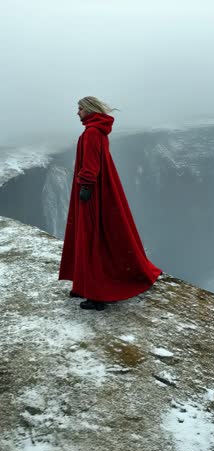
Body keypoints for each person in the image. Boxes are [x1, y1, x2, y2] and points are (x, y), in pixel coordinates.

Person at [59, 96, 162, 310]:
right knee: (92, 238)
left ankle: (97, 294)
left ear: (89, 110)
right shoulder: (99, 131)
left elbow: (90, 166)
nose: (77, 113)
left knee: (90, 240)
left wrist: (85, 187)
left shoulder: (92, 133)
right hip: (101, 190)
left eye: (79, 109)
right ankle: (83, 285)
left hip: (92, 193)